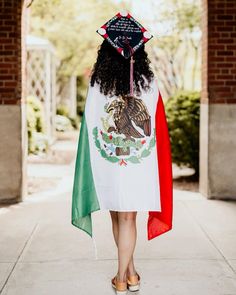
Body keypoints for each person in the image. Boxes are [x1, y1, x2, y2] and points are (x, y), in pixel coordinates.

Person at [71, 11, 173, 295]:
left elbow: (90, 124)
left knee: (118, 216)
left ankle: (120, 276)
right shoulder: (148, 84)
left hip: (109, 160)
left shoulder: (97, 84)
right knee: (127, 218)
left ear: (106, 51)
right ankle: (129, 274)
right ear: (140, 53)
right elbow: (158, 126)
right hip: (138, 162)